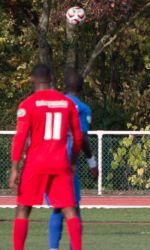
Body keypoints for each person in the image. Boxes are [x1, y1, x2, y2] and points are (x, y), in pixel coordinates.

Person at [9, 64, 83, 250]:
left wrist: (15, 168)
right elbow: (78, 137)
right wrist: (73, 162)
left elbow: (20, 138)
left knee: (23, 209)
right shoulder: (67, 103)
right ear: (51, 77)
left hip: (35, 163)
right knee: (69, 209)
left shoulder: (27, 104)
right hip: (60, 162)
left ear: (32, 79)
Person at [47, 71, 98, 250]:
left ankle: (53, 248)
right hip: (66, 162)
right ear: (82, 88)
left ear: (64, 86)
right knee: (73, 209)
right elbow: (82, 138)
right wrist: (92, 162)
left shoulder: (52, 105)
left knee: (57, 208)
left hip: (47, 160)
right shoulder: (81, 108)